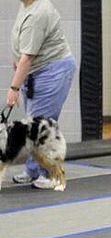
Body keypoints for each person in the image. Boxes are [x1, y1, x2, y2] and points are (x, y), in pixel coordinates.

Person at [6, 0, 77, 189]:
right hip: (35, 72)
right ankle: (33, 170)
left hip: (52, 71)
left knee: (41, 124)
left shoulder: (38, 13)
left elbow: (28, 57)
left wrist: (14, 88)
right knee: (33, 124)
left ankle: (50, 174)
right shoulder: (27, 5)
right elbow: (24, 48)